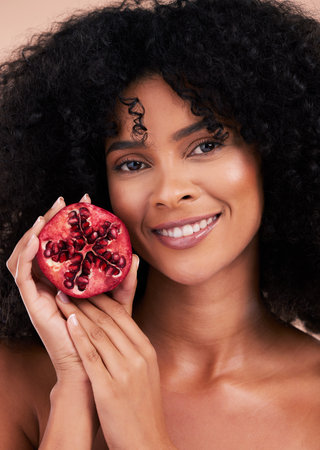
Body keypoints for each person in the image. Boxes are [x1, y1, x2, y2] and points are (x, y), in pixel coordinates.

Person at [1, 0, 320, 447]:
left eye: (206, 145)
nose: (171, 191)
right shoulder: (18, 376)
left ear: (275, 152)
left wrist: (141, 435)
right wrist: (74, 389)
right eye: (132, 163)